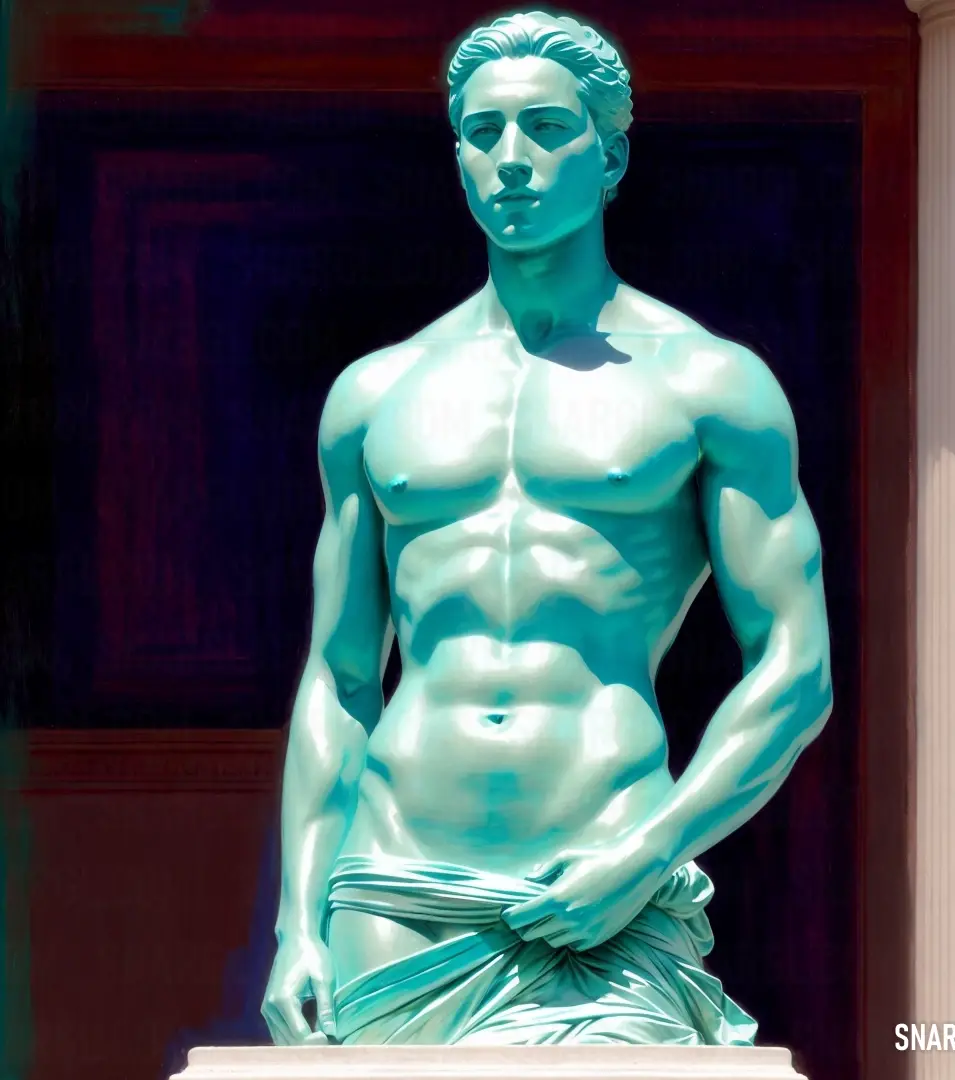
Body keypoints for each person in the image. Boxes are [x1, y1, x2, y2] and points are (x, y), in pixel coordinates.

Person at [261, 9, 832, 1048]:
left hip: (603, 869)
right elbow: (339, 679)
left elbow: (797, 667)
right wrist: (297, 921)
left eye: (545, 129)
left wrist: (651, 851)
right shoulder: (375, 396)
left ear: (610, 156)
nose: (511, 161)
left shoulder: (708, 383)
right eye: (482, 135)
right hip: (394, 891)